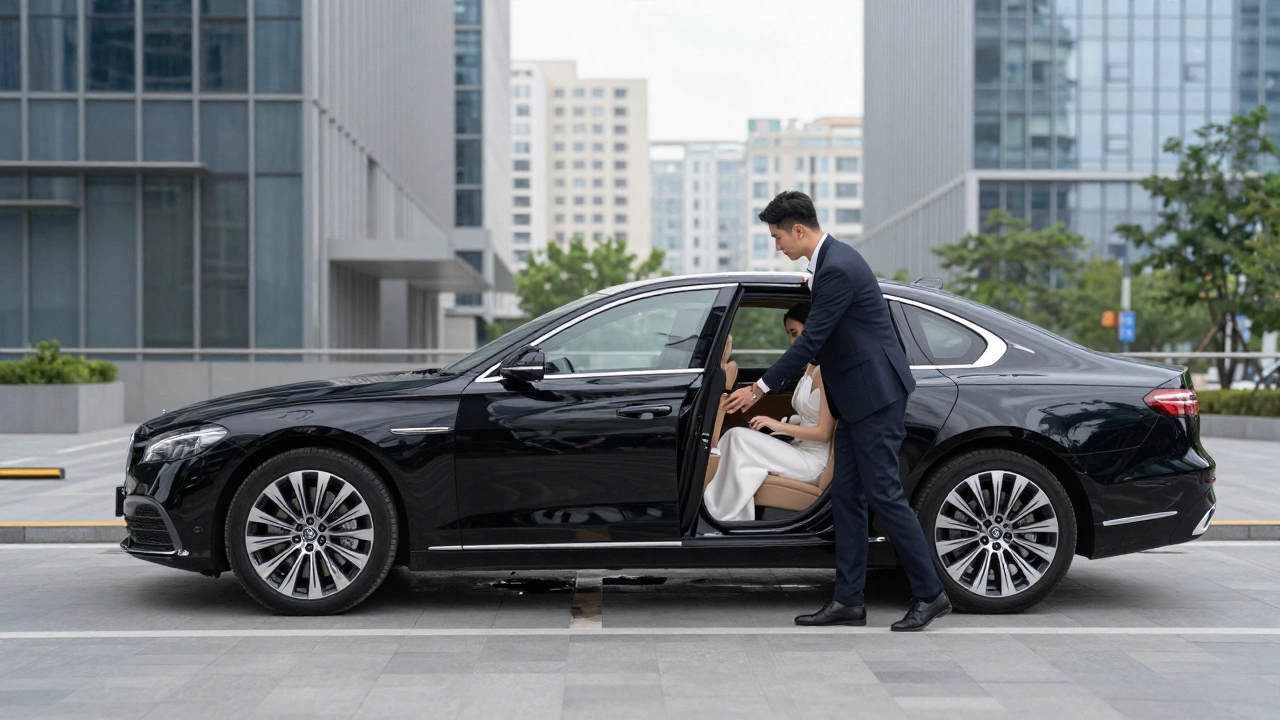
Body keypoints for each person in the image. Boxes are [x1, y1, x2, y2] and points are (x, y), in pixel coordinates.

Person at [722, 191, 951, 632]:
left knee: (884, 494)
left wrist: (760, 388)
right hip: (855, 400)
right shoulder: (828, 266)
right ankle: (849, 601)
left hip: (876, 398)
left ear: (799, 230)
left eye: (778, 237)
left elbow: (811, 340)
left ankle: (930, 594)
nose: (777, 246)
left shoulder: (838, 268)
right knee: (847, 497)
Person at [704, 304, 833, 522]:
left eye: (795, 333)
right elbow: (808, 416)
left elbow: (823, 433)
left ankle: (722, 515)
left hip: (813, 463)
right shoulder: (809, 368)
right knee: (733, 437)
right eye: (789, 334)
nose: (792, 341)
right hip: (798, 448)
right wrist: (784, 425)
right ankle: (719, 512)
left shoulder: (826, 372)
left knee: (736, 437)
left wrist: (777, 425)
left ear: (813, 329)